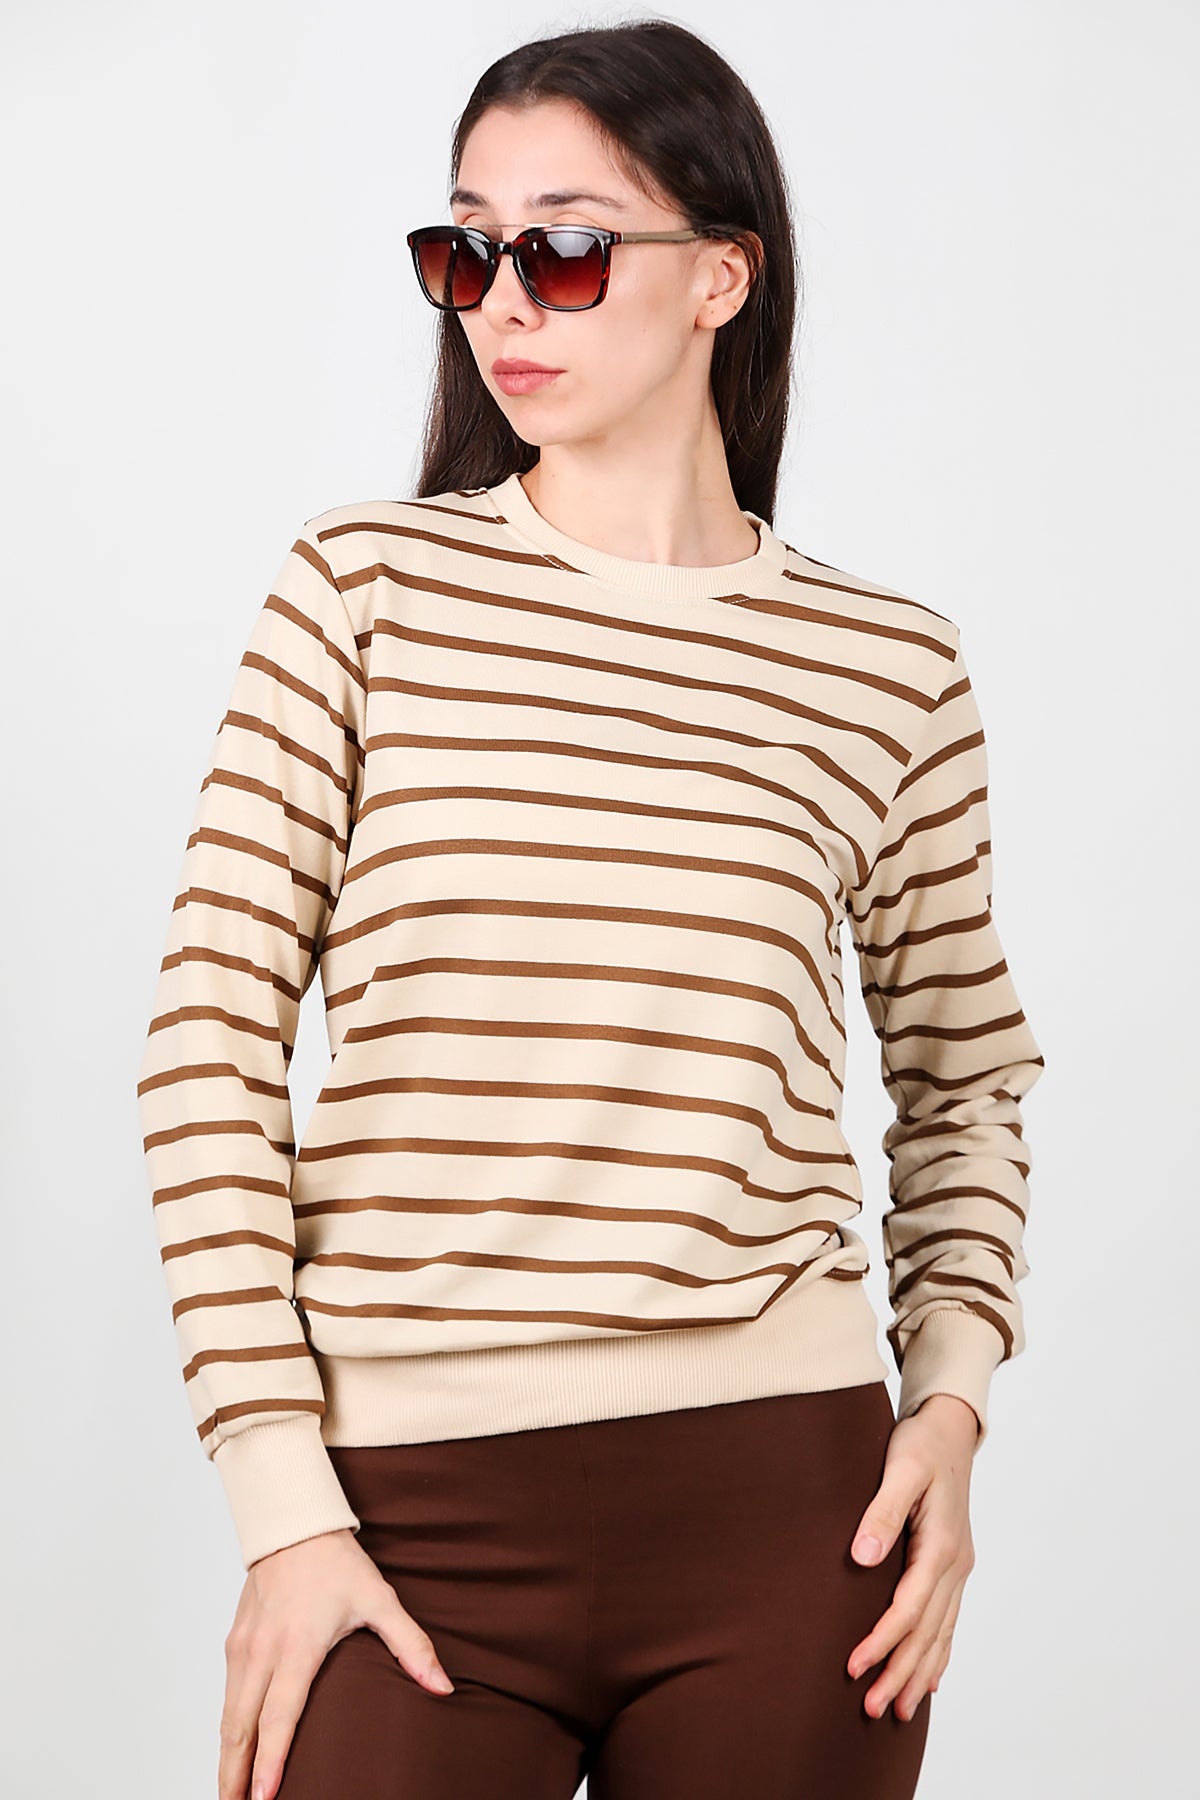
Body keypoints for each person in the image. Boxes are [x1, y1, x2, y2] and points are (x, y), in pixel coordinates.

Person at [136, 19, 1044, 1800]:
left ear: (721, 277)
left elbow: (968, 1081)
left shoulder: (889, 667)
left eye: (562, 246)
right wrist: (283, 1509)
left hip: (789, 1515)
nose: (501, 303)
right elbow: (206, 1050)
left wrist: (948, 1406)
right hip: (402, 1519)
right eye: (464, 249)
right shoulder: (363, 591)